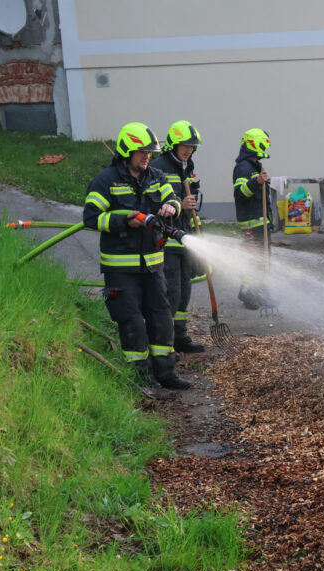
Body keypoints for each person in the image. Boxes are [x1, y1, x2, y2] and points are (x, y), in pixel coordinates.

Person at [82, 121, 190, 398]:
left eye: (150, 153)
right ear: (127, 151)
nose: (147, 157)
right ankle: (139, 378)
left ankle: (166, 374)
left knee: (161, 318)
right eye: (142, 152)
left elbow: (175, 200)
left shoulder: (156, 176)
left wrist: (171, 207)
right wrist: (124, 220)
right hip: (121, 269)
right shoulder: (105, 181)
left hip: (153, 266)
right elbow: (91, 218)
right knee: (131, 322)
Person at [150, 120, 206, 353]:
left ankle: (180, 336)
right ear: (173, 144)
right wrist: (180, 204)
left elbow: (192, 205)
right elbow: (151, 203)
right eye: (185, 145)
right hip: (167, 240)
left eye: (192, 146)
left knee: (184, 289)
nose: (189, 150)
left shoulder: (186, 166)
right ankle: (165, 341)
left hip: (185, 238)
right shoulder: (158, 168)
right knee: (171, 292)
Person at [232, 127, 273, 310]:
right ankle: (247, 292)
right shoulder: (243, 168)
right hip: (252, 222)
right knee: (257, 259)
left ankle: (255, 291)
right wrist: (256, 182)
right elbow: (240, 193)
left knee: (262, 260)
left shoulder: (252, 165)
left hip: (259, 220)